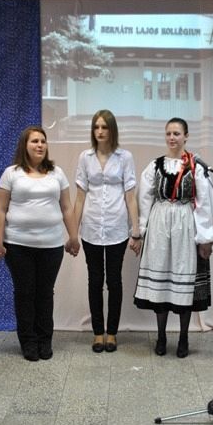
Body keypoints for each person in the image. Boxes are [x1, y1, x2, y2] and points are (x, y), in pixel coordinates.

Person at [0, 126, 80, 361]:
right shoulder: (11, 173)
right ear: (24, 145)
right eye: (34, 141)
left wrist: (73, 236)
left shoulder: (57, 173)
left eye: (42, 141)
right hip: (18, 245)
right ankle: (28, 341)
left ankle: (44, 340)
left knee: (45, 294)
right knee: (25, 293)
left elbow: (66, 207)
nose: (39, 145)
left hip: (51, 245)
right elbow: (0, 209)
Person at [134, 117, 213, 358]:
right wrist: (141, 230)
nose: (172, 137)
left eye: (177, 133)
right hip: (160, 223)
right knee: (161, 278)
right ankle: (161, 336)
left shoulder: (196, 166)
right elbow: (145, 198)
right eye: (169, 133)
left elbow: (205, 203)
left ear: (186, 136)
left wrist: (205, 238)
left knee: (184, 277)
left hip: (184, 223)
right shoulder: (155, 165)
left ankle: (183, 337)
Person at [73, 110, 141, 354]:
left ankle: (112, 332)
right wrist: (72, 233)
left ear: (112, 130)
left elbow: (131, 197)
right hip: (91, 227)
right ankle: (97, 333)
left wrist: (136, 230)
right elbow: (79, 198)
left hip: (116, 228)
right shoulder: (85, 157)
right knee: (94, 281)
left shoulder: (125, 157)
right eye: (96, 127)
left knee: (114, 280)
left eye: (104, 127)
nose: (100, 132)